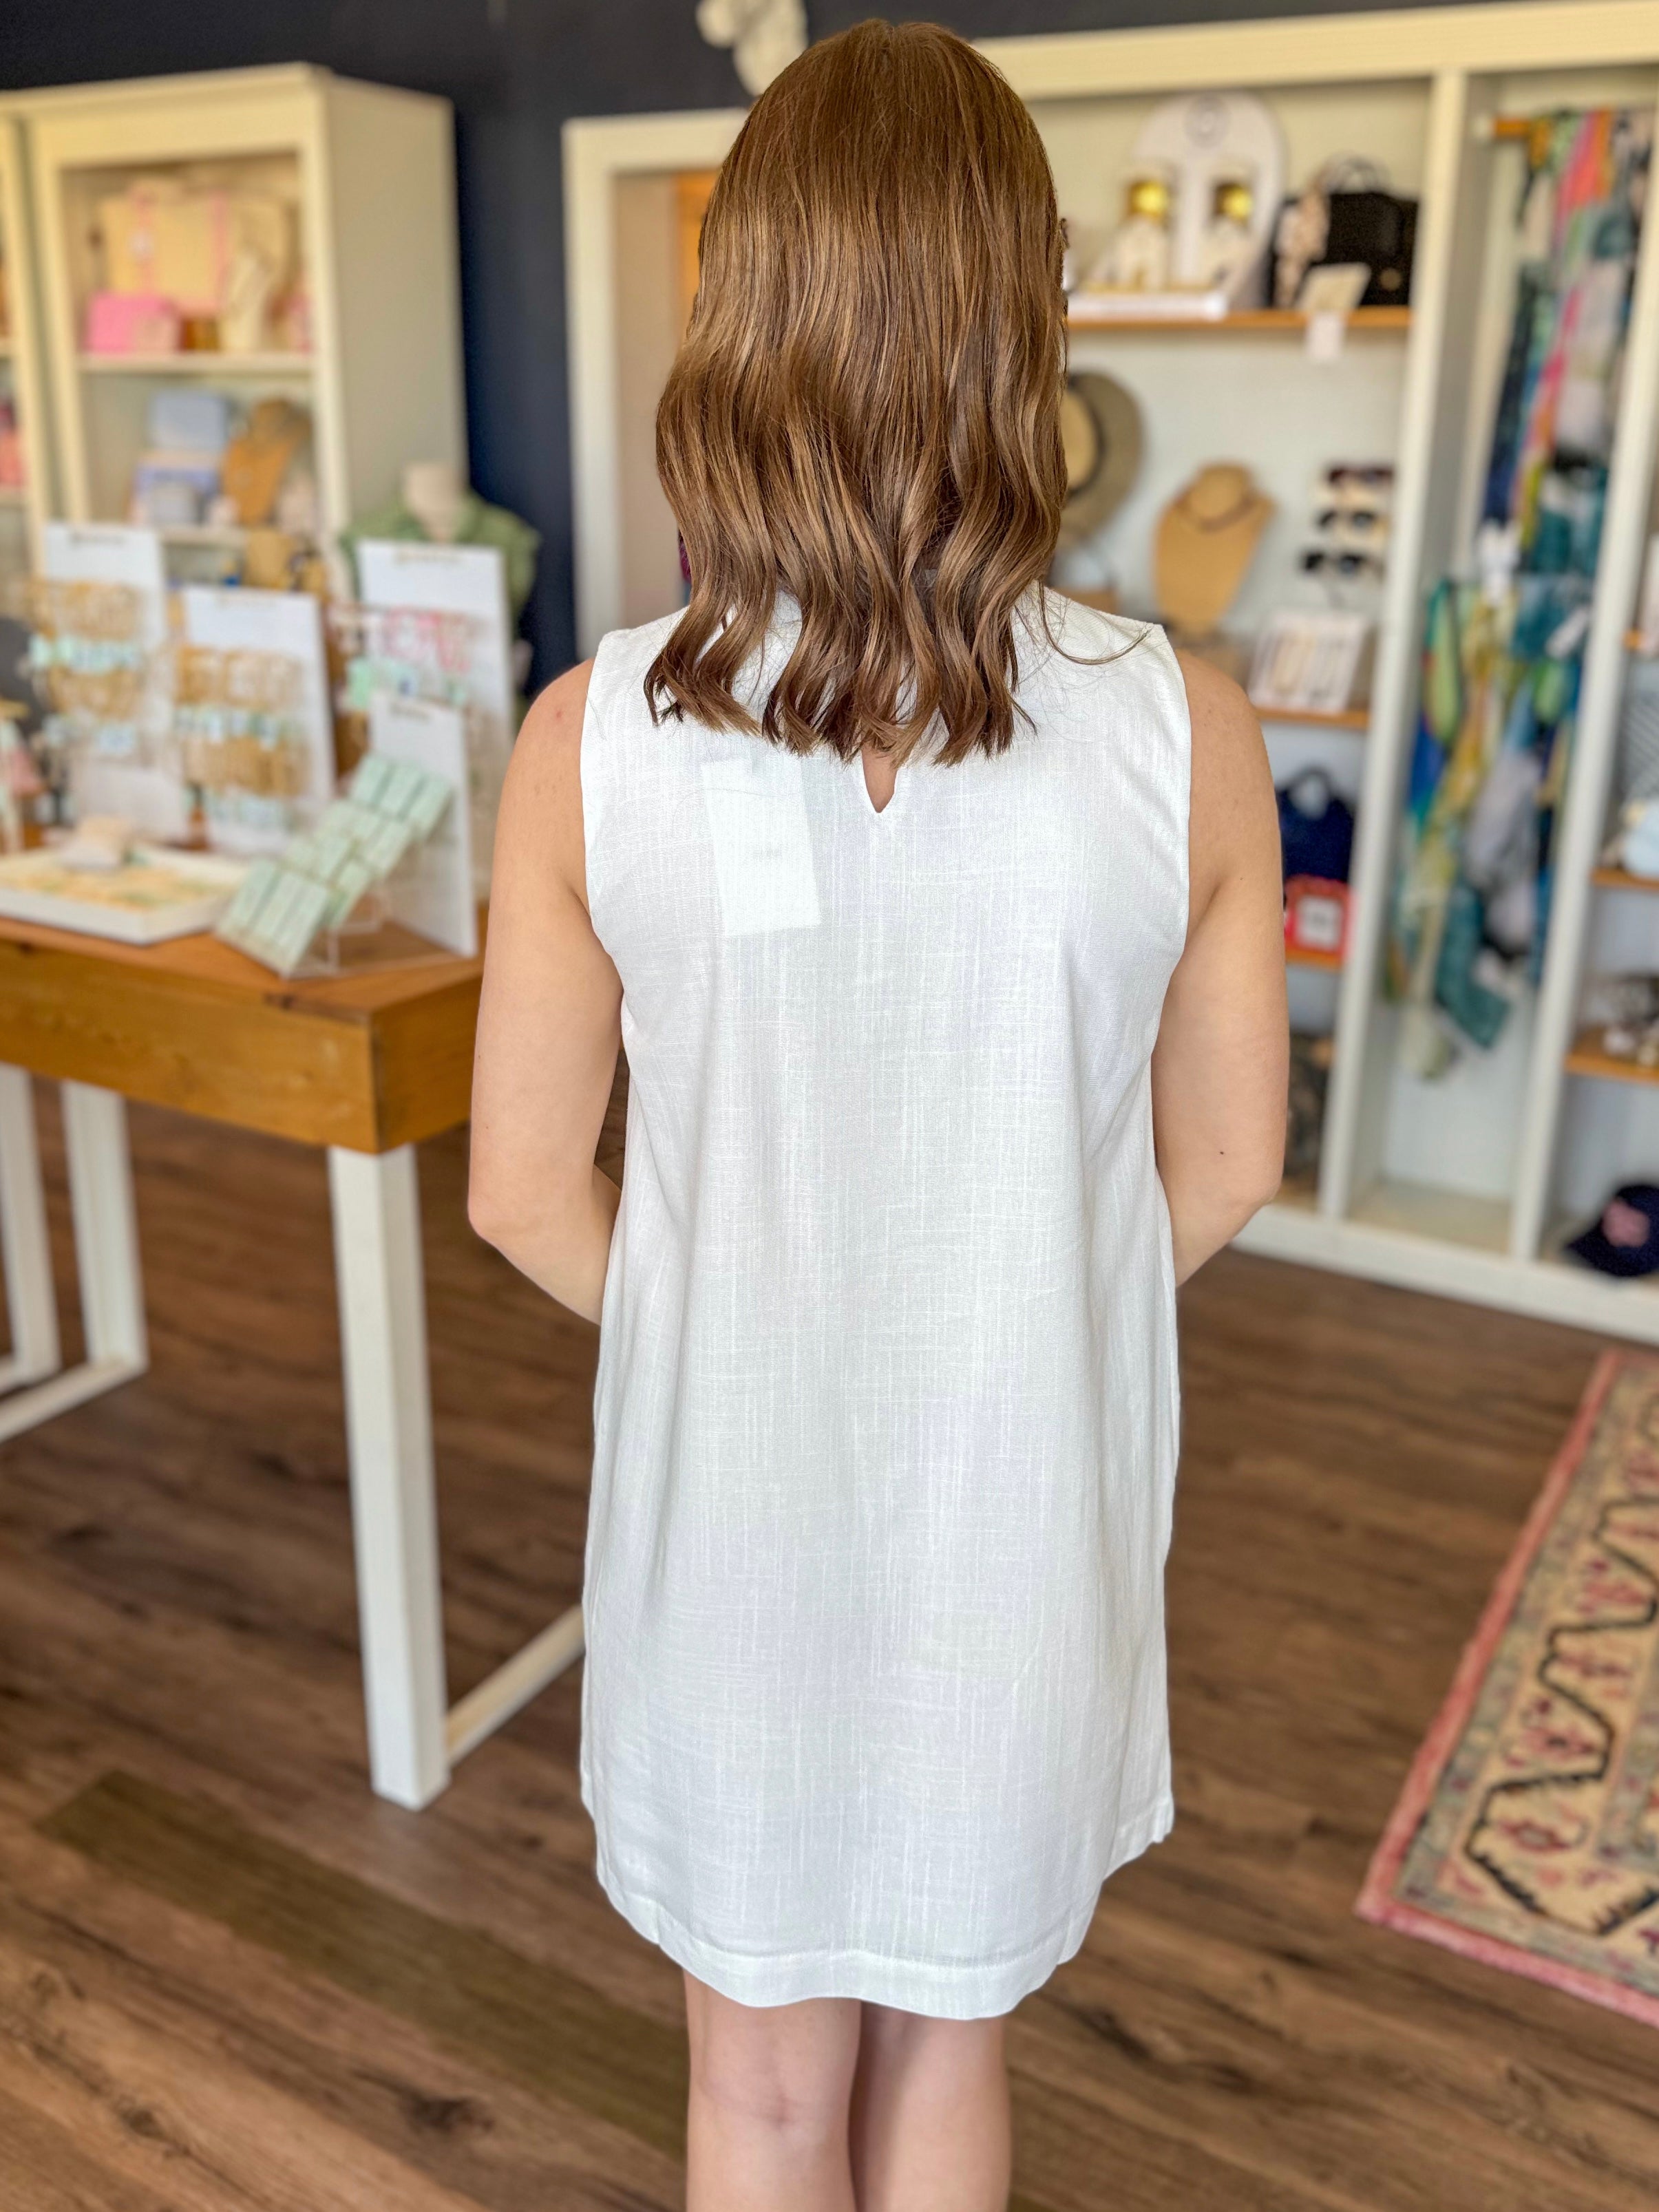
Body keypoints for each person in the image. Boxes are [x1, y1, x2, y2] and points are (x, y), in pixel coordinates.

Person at [468, 20, 1287, 2210]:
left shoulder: (588, 739)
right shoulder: (1184, 731)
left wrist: (743, 1323)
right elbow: (1223, 1162)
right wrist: (1010, 1293)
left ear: (742, 316)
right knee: (946, 2051)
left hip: (722, 1535)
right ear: (1026, 323)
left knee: (754, 2095)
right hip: (1024, 1529)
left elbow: (526, 1193)